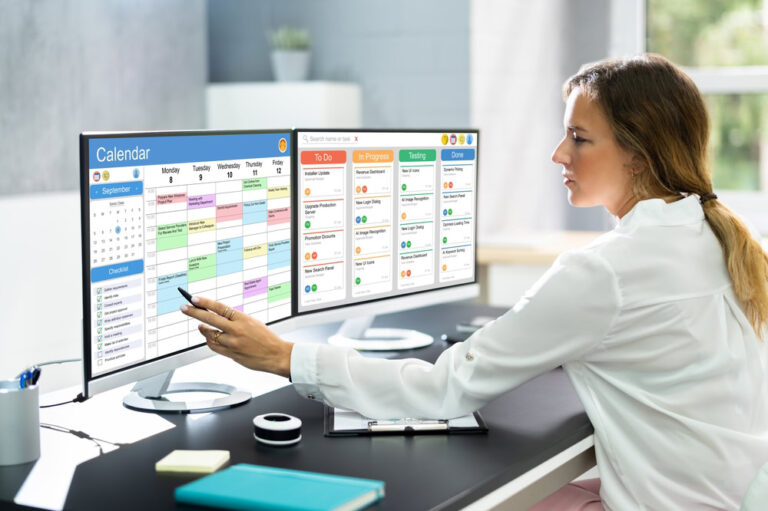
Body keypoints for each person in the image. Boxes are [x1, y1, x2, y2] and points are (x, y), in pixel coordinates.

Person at [180, 54, 768, 509]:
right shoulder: (711, 235)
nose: (559, 153)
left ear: (638, 155)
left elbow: (444, 390)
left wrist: (284, 357)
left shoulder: (606, 272)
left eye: (580, 138)